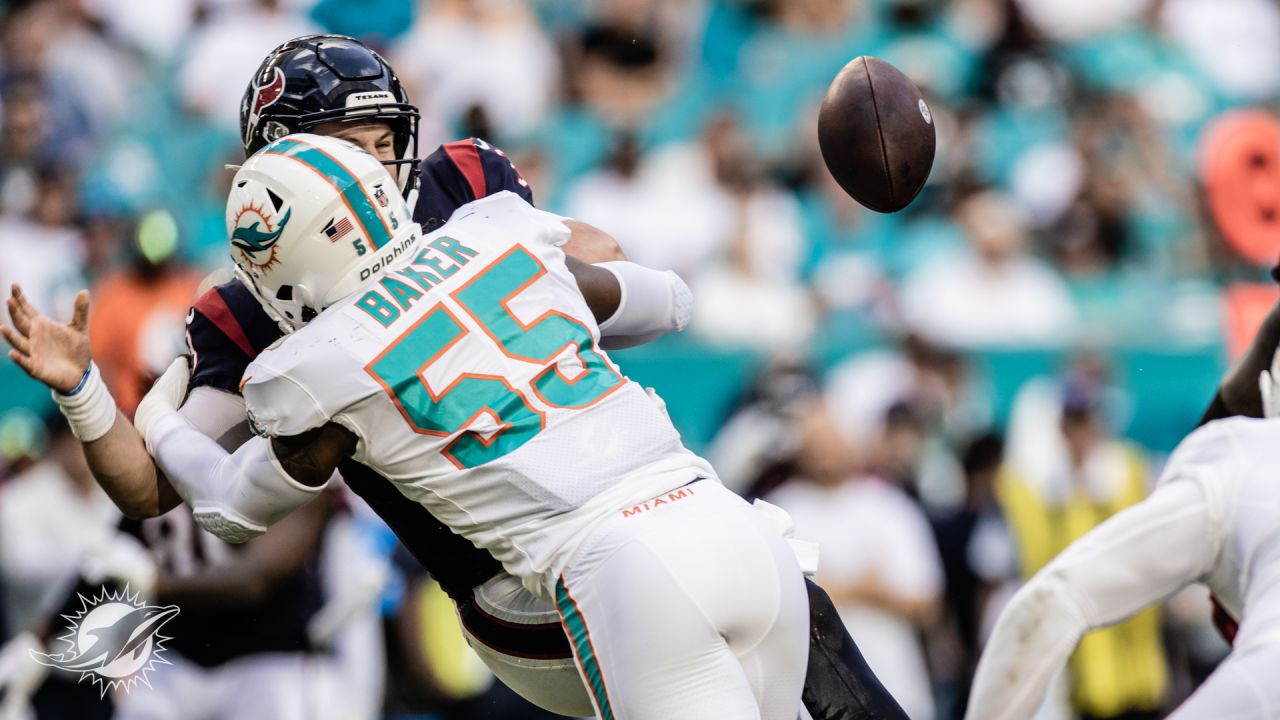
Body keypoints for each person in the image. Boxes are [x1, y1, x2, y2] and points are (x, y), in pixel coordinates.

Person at [152, 133, 811, 718]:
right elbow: (671, 301)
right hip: (731, 525)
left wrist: (156, 421)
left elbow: (228, 507)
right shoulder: (493, 226)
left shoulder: (315, 363)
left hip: (623, 569)